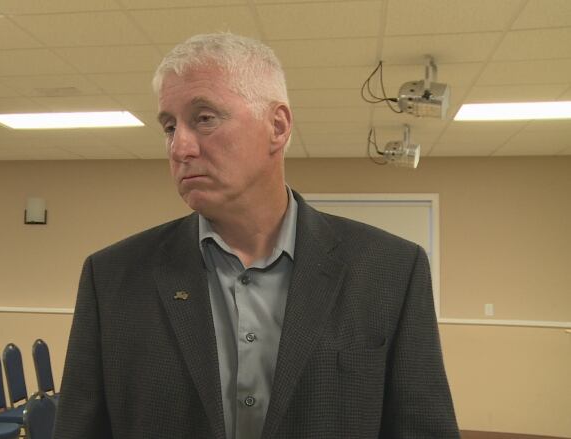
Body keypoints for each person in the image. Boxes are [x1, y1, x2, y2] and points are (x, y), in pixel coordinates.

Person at [54, 33, 459, 439]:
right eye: (169, 126)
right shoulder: (111, 279)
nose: (179, 147)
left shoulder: (390, 271)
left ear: (278, 126)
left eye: (205, 118)